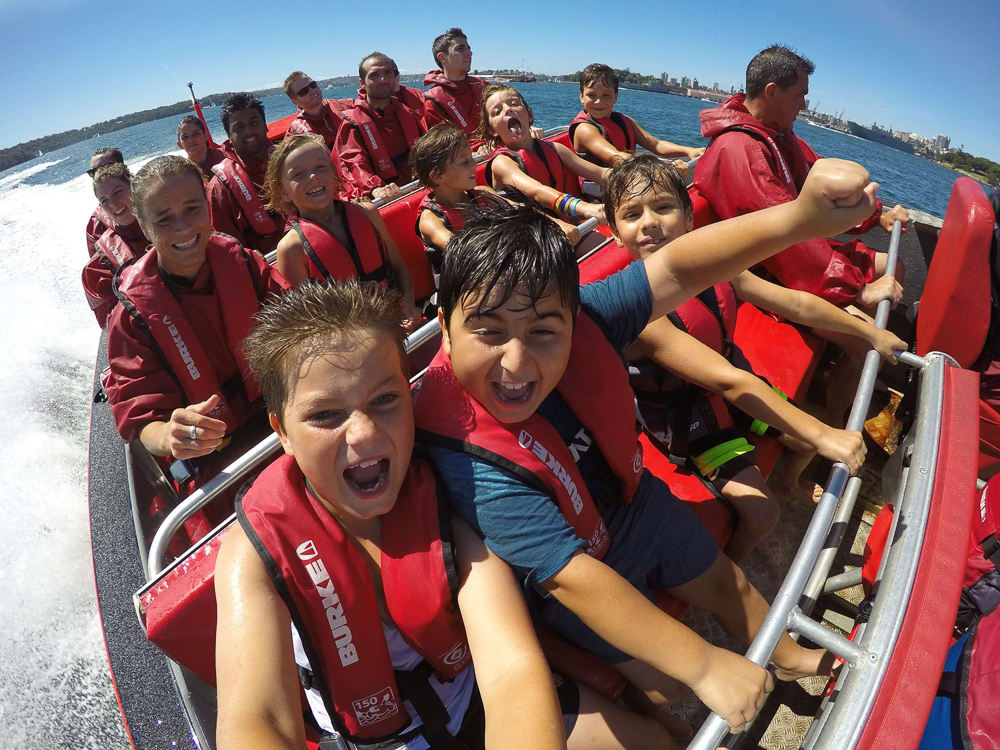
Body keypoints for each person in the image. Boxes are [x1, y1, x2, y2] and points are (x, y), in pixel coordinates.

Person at [413, 157, 879, 733]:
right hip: (568, 563)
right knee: (662, 688)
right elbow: (568, 575)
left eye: (542, 332)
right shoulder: (462, 447)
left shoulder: (591, 318)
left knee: (724, 582)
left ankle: (783, 654)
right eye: (487, 331)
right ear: (444, 321)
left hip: (631, 504)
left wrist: (802, 217)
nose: (516, 362)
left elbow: (679, 268)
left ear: (570, 318)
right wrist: (705, 663)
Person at [215, 279, 678, 749]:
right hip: (386, 742)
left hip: (473, 698)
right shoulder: (251, 553)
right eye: (325, 416)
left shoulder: (446, 495)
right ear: (283, 432)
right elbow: (259, 720)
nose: (364, 434)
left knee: (655, 741)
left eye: (385, 399)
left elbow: (511, 674)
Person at [602, 154, 908, 559]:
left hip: (733, 384)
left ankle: (788, 481)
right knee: (764, 514)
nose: (650, 223)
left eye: (663, 207)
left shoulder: (715, 267)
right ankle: (736, 561)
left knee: (805, 443)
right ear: (615, 234)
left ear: (689, 219)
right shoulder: (638, 314)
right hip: (691, 418)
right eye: (632, 214)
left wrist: (869, 332)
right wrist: (825, 433)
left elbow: (797, 304)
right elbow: (727, 380)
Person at [694, 45, 909, 310]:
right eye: (800, 96)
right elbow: (778, 237)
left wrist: (877, 216)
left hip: (797, 255)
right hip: (768, 273)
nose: (804, 105)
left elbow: (821, 185)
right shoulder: (739, 150)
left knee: (893, 266)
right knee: (871, 340)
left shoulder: (778, 136)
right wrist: (858, 290)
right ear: (772, 92)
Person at [105, 155, 289, 461]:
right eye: (163, 219)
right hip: (214, 456)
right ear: (145, 227)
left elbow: (296, 319)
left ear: (208, 206)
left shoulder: (243, 263)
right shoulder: (130, 318)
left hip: (281, 411)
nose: (183, 227)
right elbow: (142, 420)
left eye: (193, 209)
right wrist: (168, 435)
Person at [264, 134, 420, 327]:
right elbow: (309, 321)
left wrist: (408, 305)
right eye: (298, 174)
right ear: (283, 192)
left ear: (334, 173)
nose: (313, 177)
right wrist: (356, 300)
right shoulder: (291, 249)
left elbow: (400, 268)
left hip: (398, 320)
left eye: (320, 167)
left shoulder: (368, 213)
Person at [411, 125, 583, 282]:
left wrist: (557, 223)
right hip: (465, 290)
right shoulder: (431, 220)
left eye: (472, 158)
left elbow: (521, 210)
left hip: (500, 274)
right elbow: (459, 250)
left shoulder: (482, 194)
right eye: (465, 162)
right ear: (437, 176)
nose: (474, 164)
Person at [479, 84, 607, 224]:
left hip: (568, 224)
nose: (508, 109)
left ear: (528, 114)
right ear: (492, 130)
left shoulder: (556, 149)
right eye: (497, 112)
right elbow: (537, 191)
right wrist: (585, 208)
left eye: (514, 104)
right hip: (533, 234)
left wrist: (631, 179)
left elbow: (601, 174)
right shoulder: (501, 163)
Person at [569, 64, 705, 179]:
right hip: (601, 196)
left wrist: (688, 150)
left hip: (631, 182)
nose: (599, 102)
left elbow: (657, 145)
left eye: (606, 96)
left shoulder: (624, 121)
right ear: (581, 96)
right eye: (591, 95)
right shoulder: (584, 129)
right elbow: (618, 158)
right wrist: (666, 167)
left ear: (616, 97)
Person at [338, 53, 428, 202]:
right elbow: (354, 162)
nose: (383, 79)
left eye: (388, 73)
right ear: (362, 82)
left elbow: (431, 145)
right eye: (374, 75)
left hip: (418, 188)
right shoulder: (352, 125)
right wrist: (375, 188)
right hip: (385, 199)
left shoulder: (408, 113)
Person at [207, 93, 285, 253]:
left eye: (254, 123)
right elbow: (229, 251)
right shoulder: (219, 190)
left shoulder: (293, 161)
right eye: (239, 127)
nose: (248, 131)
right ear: (229, 136)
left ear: (265, 125)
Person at [82, 163, 149, 328]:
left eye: (118, 192)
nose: (113, 204)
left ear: (133, 185)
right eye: (104, 200)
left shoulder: (168, 220)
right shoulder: (101, 264)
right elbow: (113, 325)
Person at [423, 28, 488, 152]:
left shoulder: (483, 86)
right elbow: (444, 148)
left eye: (469, 48)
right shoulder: (433, 104)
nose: (469, 53)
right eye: (460, 48)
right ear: (442, 57)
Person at [282, 71, 354, 149]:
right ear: (295, 101)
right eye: (304, 91)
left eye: (313, 85)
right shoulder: (295, 135)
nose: (312, 90)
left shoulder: (347, 105)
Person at [85, 147, 125, 256]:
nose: (100, 174)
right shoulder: (95, 225)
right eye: (93, 172)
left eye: (104, 167)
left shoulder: (151, 197)